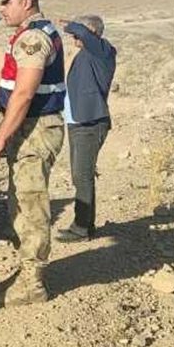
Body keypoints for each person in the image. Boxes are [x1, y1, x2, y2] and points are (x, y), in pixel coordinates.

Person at [0, 0, 66, 307]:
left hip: (36, 128)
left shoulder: (32, 38)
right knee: (21, 202)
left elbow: (25, 92)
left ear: (26, 2)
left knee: (31, 205)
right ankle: (26, 273)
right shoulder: (31, 33)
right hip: (30, 128)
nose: (2, 8)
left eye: (7, 1)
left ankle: (33, 283)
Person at [54, 14, 116, 242]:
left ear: (91, 33)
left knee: (83, 176)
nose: (73, 37)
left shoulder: (103, 51)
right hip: (78, 122)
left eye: (77, 33)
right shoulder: (86, 55)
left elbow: (84, 34)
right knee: (81, 176)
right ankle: (85, 224)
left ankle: (81, 228)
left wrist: (69, 24)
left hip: (90, 123)